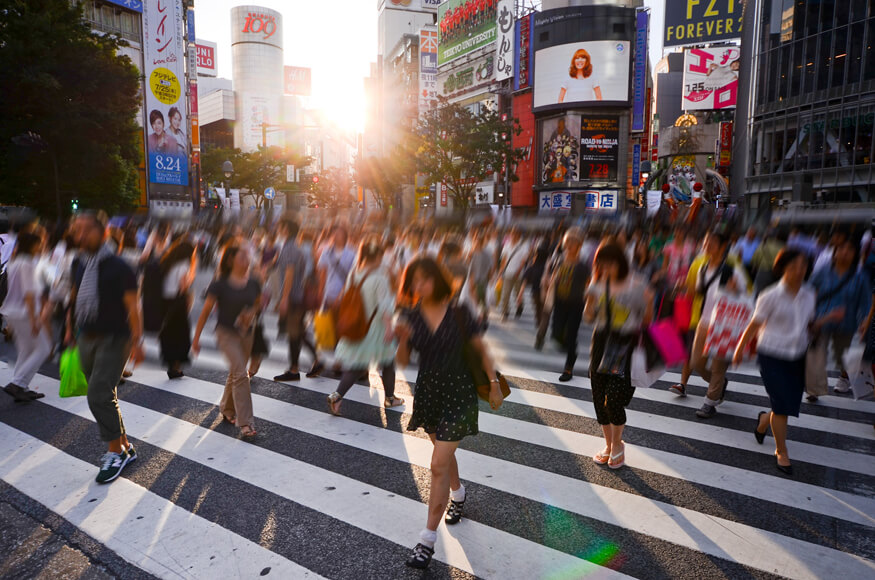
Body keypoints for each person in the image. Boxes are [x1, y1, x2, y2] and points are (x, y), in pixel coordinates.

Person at [395, 257, 503, 569]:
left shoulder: (459, 311)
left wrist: (494, 383)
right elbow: (403, 359)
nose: (418, 285)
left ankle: (427, 540)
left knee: (438, 463)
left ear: (436, 279)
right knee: (442, 453)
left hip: (459, 391)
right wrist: (401, 340)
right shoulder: (411, 316)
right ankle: (458, 493)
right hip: (429, 392)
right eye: (413, 280)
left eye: (424, 278)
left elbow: (480, 348)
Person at [734, 249, 845, 475]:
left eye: (803, 266)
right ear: (782, 266)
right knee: (782, 406)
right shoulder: (770, 295)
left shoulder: (809, 294)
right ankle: (781, 451)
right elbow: (754, 325)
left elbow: (809, 324)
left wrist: (828, 318)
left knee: (785, 405)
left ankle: (764, 421)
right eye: (794, 266)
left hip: (797, 355)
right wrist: (739, 348)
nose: (799, 270)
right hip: (771, 354)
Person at [68, 212, 144, 484]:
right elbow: (75, 295)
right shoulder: (78, 262)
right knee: (105, 393)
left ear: (102, 233)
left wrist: (138, 341)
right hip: (86, 334)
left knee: (98, 394)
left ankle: (115, 453)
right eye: (75, 229)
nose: (78, 234)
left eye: (85, 229)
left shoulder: (120, 266)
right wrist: (71, 328)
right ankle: (124, 445)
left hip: (116, 337)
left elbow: (133, 306)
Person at [584, 242, 653, 469]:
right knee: (598, 397)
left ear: (620, 263)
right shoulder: (597, 283)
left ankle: (617, 444)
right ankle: (608, 444)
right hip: (601, 341)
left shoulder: (636, 284)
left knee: (613, 398)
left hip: (624, 344)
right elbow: (588, 317)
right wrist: (590, 304)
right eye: (601, 263)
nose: (605, 267)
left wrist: (649, 302)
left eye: (610, 263)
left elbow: (647, 320)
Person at [327, 237, 402, 414]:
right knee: (388, 361)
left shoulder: (354, 273)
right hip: (376, 327)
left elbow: (346, 296)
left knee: (357, 366)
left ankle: (336, 396)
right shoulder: (379, 278)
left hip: (358, 326)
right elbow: (385, 306)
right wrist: (390, 328)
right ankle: (390, 398)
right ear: (377, 257)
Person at [192, 244, 261, 438]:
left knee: (235, 373)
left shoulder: (253, 282)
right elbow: (205, 312)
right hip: (226, 334)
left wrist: (251, 313)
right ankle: (246, 422)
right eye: (242, 257)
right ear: (230, 260)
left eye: (248, 257)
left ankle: (227, 408)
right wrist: (196, 339)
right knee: (241, 374)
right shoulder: (219, 284)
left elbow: (258, 303)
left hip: (247, 333)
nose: (246, 260)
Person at [807, 237, 871, 397]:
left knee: (843, 355)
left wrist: (864, 321)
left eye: (850, 250)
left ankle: (844, 377)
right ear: (834, 253)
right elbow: (809, 292)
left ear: (855, 254)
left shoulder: (860, 276)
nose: (844, 253)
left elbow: (865, 302)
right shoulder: (822, 272)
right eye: (841, 249)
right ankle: (814, 389)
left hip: (846, 322)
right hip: (821, 321)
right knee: (816, 355)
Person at [1, 231, 51, 402]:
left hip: (11, 310)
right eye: (40, 242)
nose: (42, 245)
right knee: (44, 347)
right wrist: (34, 318)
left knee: (26, 349)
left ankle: (22, 387)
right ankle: (17, 384)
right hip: (25, 311)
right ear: (32, 245)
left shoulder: (14, 262)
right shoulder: (28, 264)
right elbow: (29, 293)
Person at [274, 219, 322, 382]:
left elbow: (289, 272)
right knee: (297, 332)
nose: (277, 229)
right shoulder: (296, 247)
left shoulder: (290, 248)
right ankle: (313, 360)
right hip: (297, 295)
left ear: (286, 228)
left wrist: (285, 297)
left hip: (293, 297)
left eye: (279, 226)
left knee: (295, 333)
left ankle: (295, 369)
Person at [547, 228, 590, 380]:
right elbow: (553, 278)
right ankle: (571, 349)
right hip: (559, 302)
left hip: (576, 304)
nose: (569, 245)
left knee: (571, 335)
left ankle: (568, 368)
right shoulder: (559, 261)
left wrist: (589, 303)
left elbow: (588, 284)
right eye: (567, 242)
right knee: (556, 334)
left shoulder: (583, 266)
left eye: (573, 242)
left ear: (579, 245)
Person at [158, 235, 197, 379]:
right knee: (181, 336)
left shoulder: (169, 263)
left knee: (169, 335)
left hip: (166, 302)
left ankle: (170, 365)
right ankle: (175, 367)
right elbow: (183, 287)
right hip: (178, 303)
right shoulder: (184, 265)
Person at [499, 229, 530, 320]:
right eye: (512, 234)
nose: (513, 236)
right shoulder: (507, 245)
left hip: (519, 274)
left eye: (515, 234)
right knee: (506, 293)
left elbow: (524, 260)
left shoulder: (524, 245)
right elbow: (504, 259)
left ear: (519, 235)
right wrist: (501, 271)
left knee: (518, 293)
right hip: (508, 272)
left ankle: (520, 307)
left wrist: (519, 270)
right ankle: (505, 312)